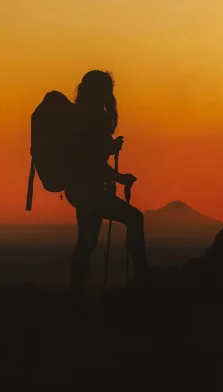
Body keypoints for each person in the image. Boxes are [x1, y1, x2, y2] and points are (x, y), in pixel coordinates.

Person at [65, 70, 148, 297]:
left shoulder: (77, 117)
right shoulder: (97, 120)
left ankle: (75, 293)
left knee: (87, 242)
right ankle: (142, 275)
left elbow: (87, 160)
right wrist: (118, 174)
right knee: (134, 218)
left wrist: (109, 154)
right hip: (91, 191)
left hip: (78, 190)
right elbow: (93, 163)